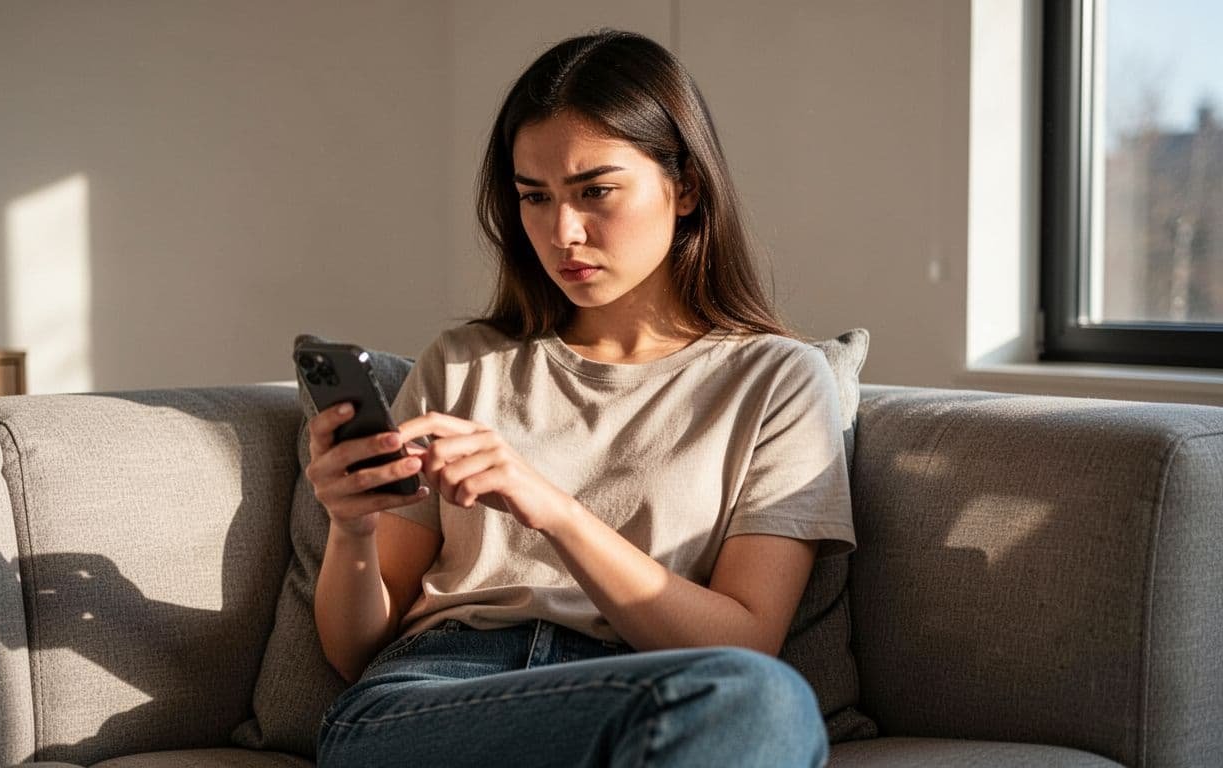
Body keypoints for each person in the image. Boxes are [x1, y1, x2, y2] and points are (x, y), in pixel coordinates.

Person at [307, 29, 854, 768]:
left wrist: (553, 510)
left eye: (595, 190)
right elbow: (354, 652)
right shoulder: (465, 363)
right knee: (754, 706)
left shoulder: (778, 381)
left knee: (759, 701)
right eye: (535, 197)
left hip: (648, 693)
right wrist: (353, 531)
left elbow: (744, 644)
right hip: (433, 696)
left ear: (685, 186)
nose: (562, 232)